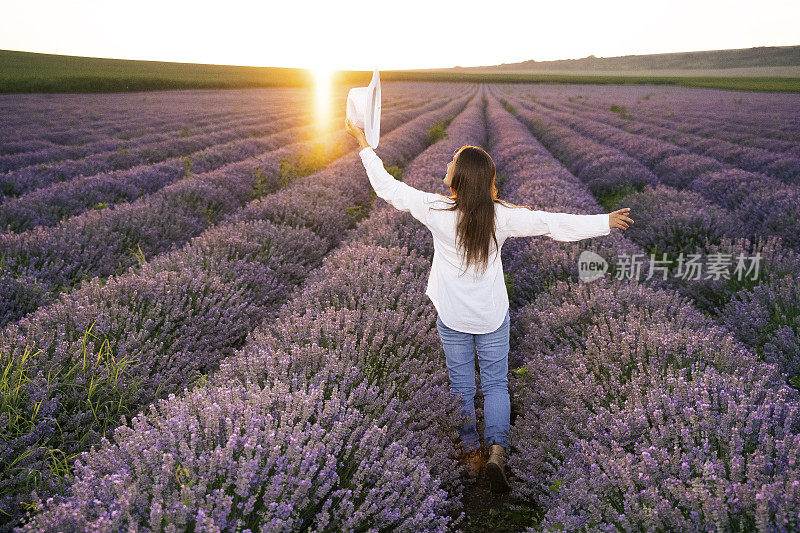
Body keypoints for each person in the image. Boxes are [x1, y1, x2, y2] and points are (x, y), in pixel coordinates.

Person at [345, 117, 634, 493]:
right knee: (497, 384)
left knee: (461, 386)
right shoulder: (501, 217)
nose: (446, 164)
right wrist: (603, 222)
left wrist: (364, 144)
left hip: (453, 316)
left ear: (458, 178)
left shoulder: (435, 210)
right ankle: (498, 449)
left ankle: (470, 454)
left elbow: (388, 188)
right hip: (492, 316)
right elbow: (551, 223)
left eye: (452, 162)